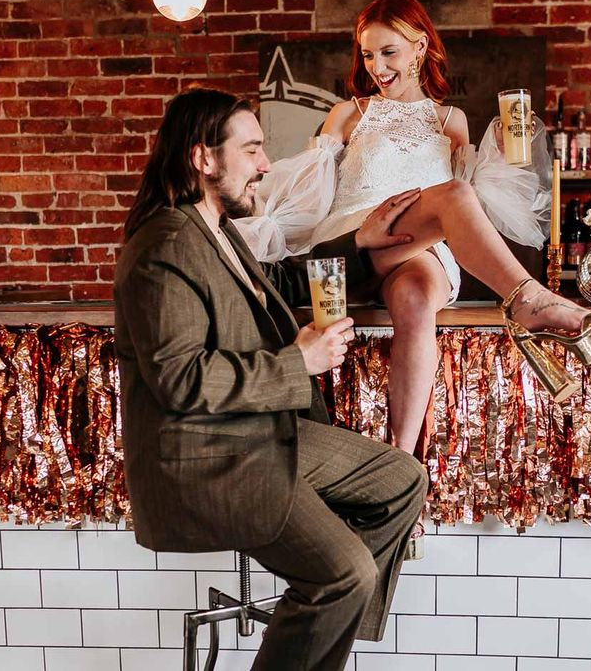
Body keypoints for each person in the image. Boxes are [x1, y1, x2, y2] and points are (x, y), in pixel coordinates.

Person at [233, 0, 591, 555]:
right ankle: (529, 299)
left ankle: (400, 475)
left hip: (422, 251)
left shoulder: (452, 122)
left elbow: (472, 213)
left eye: (389, 52)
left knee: (421, 295)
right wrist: (279, 233)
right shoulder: (350, 112)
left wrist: (513, 168)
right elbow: (312, 192)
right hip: (358, 239)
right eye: (368, 55)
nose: (377, 67)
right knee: (454, 195)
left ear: (420, 47)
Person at [114, 87, 429, 670]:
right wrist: (297, 364)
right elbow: (180, 380)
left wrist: (359, 247)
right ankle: (330, 604)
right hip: (213, 457)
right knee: (345, 574)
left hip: (256, 431)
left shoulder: (215, 230)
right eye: (253, 150)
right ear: (203, 159)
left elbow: (274, 288)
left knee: (400, 478)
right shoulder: (166, 244)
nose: (265, 165)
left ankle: (325, 626)